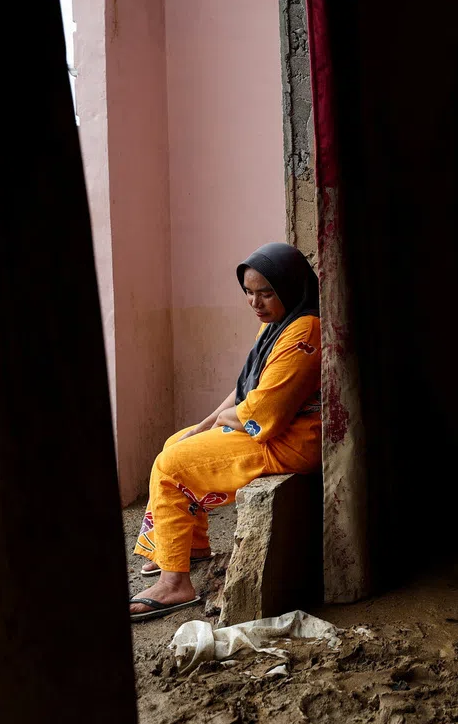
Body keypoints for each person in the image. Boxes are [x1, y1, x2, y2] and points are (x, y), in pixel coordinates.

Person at [129, 242, 322, 621]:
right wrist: (204, 425)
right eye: (249, 293)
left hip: (289, 442)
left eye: (266, 292)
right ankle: (190, 547)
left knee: (171, 464)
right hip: (268, 433)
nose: (255, 302)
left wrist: (223, 421)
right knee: (177, 441)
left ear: (290, 286)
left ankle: (174, 584)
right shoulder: (276, 326)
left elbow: (266, 412)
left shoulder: (305, 331)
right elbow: (245, 388)